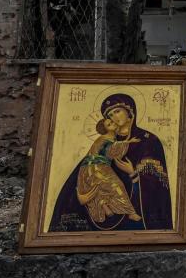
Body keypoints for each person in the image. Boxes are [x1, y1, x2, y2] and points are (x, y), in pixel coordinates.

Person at [49, 93, 172, 232]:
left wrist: (132, 173)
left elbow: (158, 186)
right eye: (110, 116)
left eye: (117, 111)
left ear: (130, 110)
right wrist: (81, 194)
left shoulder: (148, 140)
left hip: (138, 215)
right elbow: (87, 169)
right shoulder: (106, 140)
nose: (114, 117)